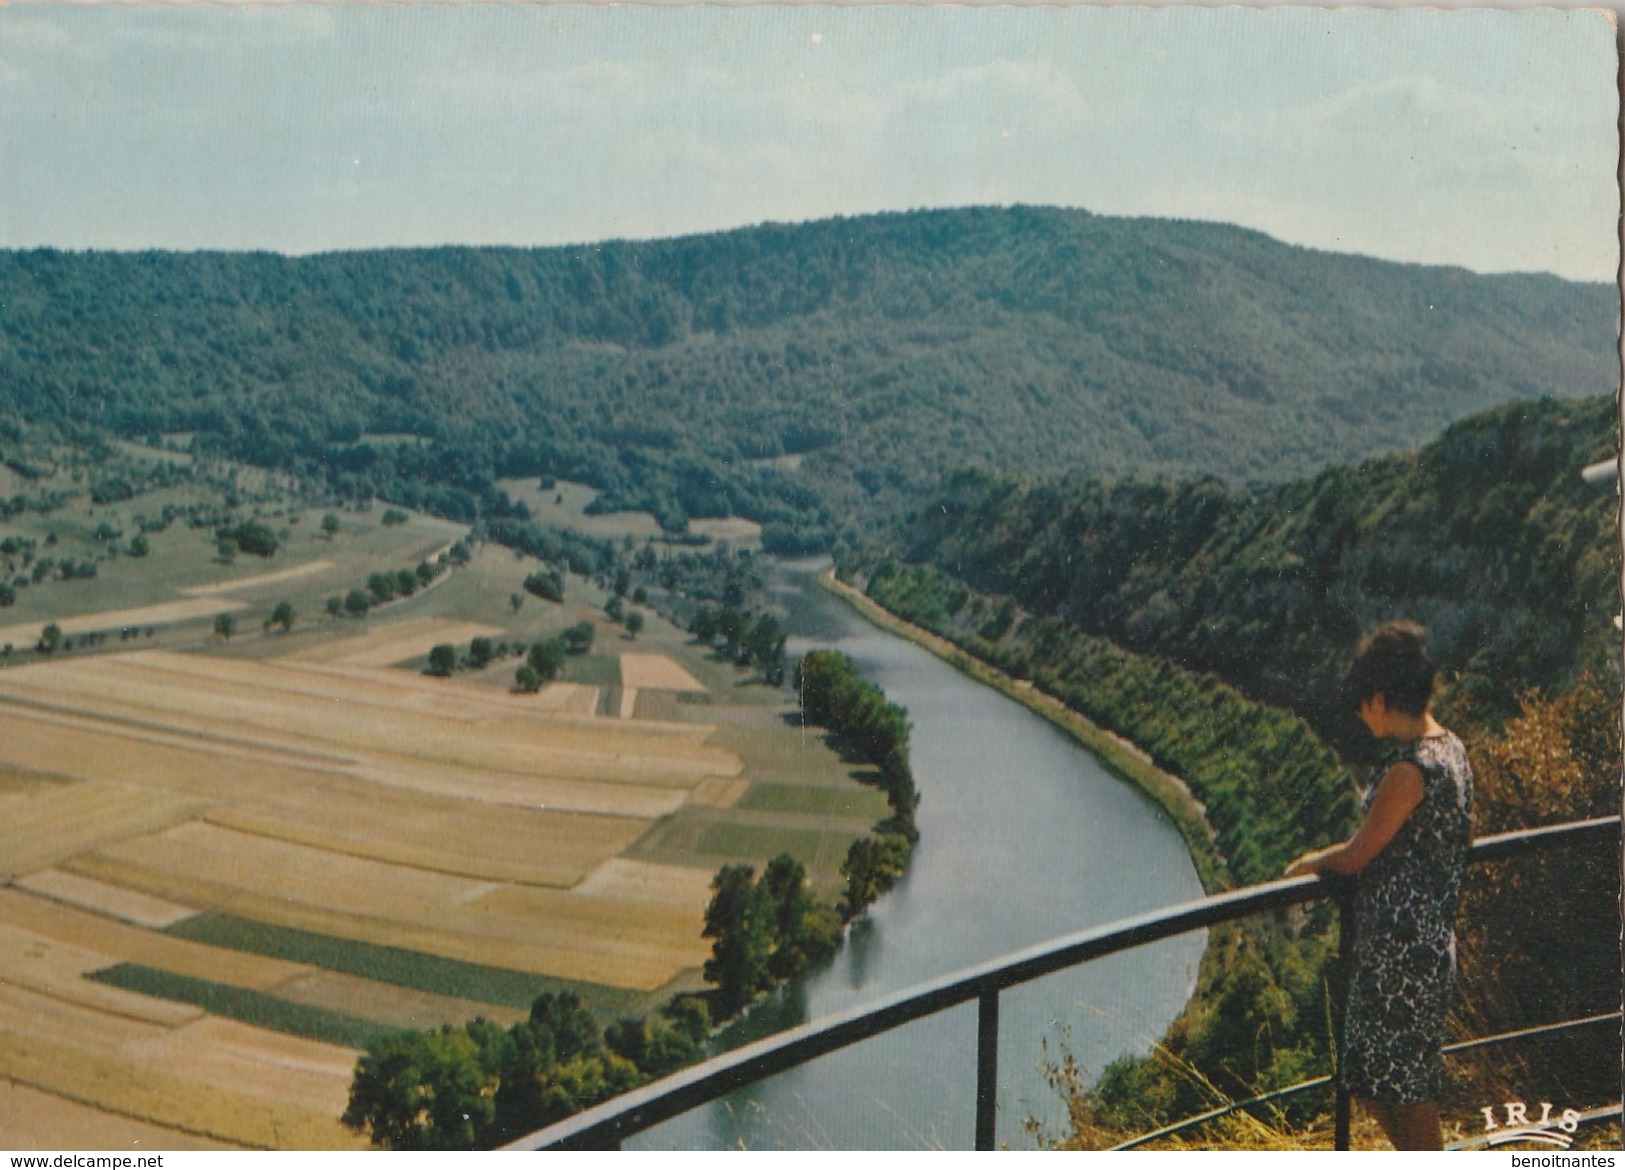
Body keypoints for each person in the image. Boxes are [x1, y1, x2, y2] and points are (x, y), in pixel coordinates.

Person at [1284, 621, 1473, 1151]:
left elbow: (1356, 855)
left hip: (1403, 960)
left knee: (1403, 1094)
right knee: (1374, 1082)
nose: (1361, 715)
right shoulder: (1449, 748)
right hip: (1415, 948)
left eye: (1365, 703)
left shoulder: (1410, 770)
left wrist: (1307, 865)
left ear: (1382, 699)